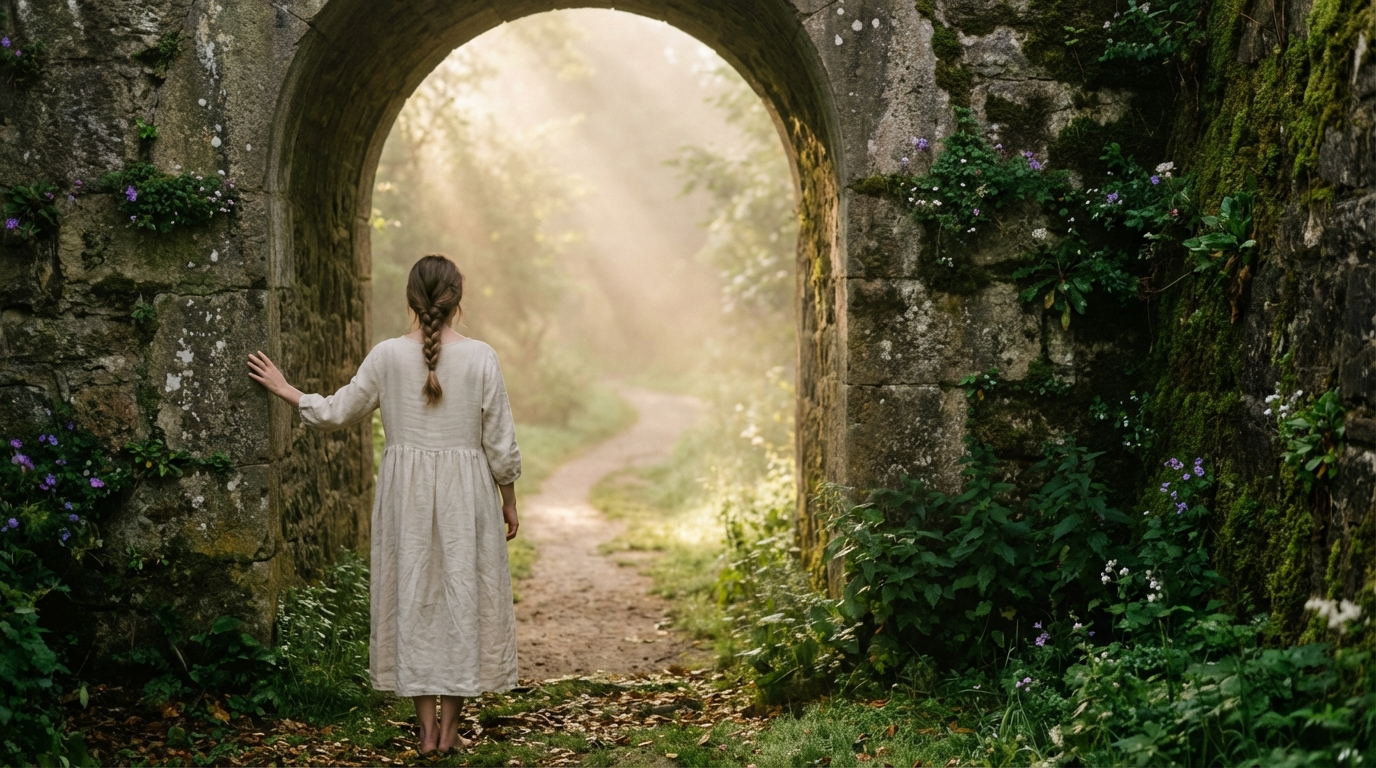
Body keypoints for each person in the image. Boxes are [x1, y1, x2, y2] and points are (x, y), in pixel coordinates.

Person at [247, 254, 521, 753]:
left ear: (411, 299)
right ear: (457, 299)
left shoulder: (387, 356)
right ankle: (450, 732)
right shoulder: (482, 357)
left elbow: (336, 411)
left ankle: (426, 732)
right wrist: (509, 501)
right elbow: (499, 442)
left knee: (413, 597)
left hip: (405, 499)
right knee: (462, 597)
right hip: (467, 499)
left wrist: (288, 390)